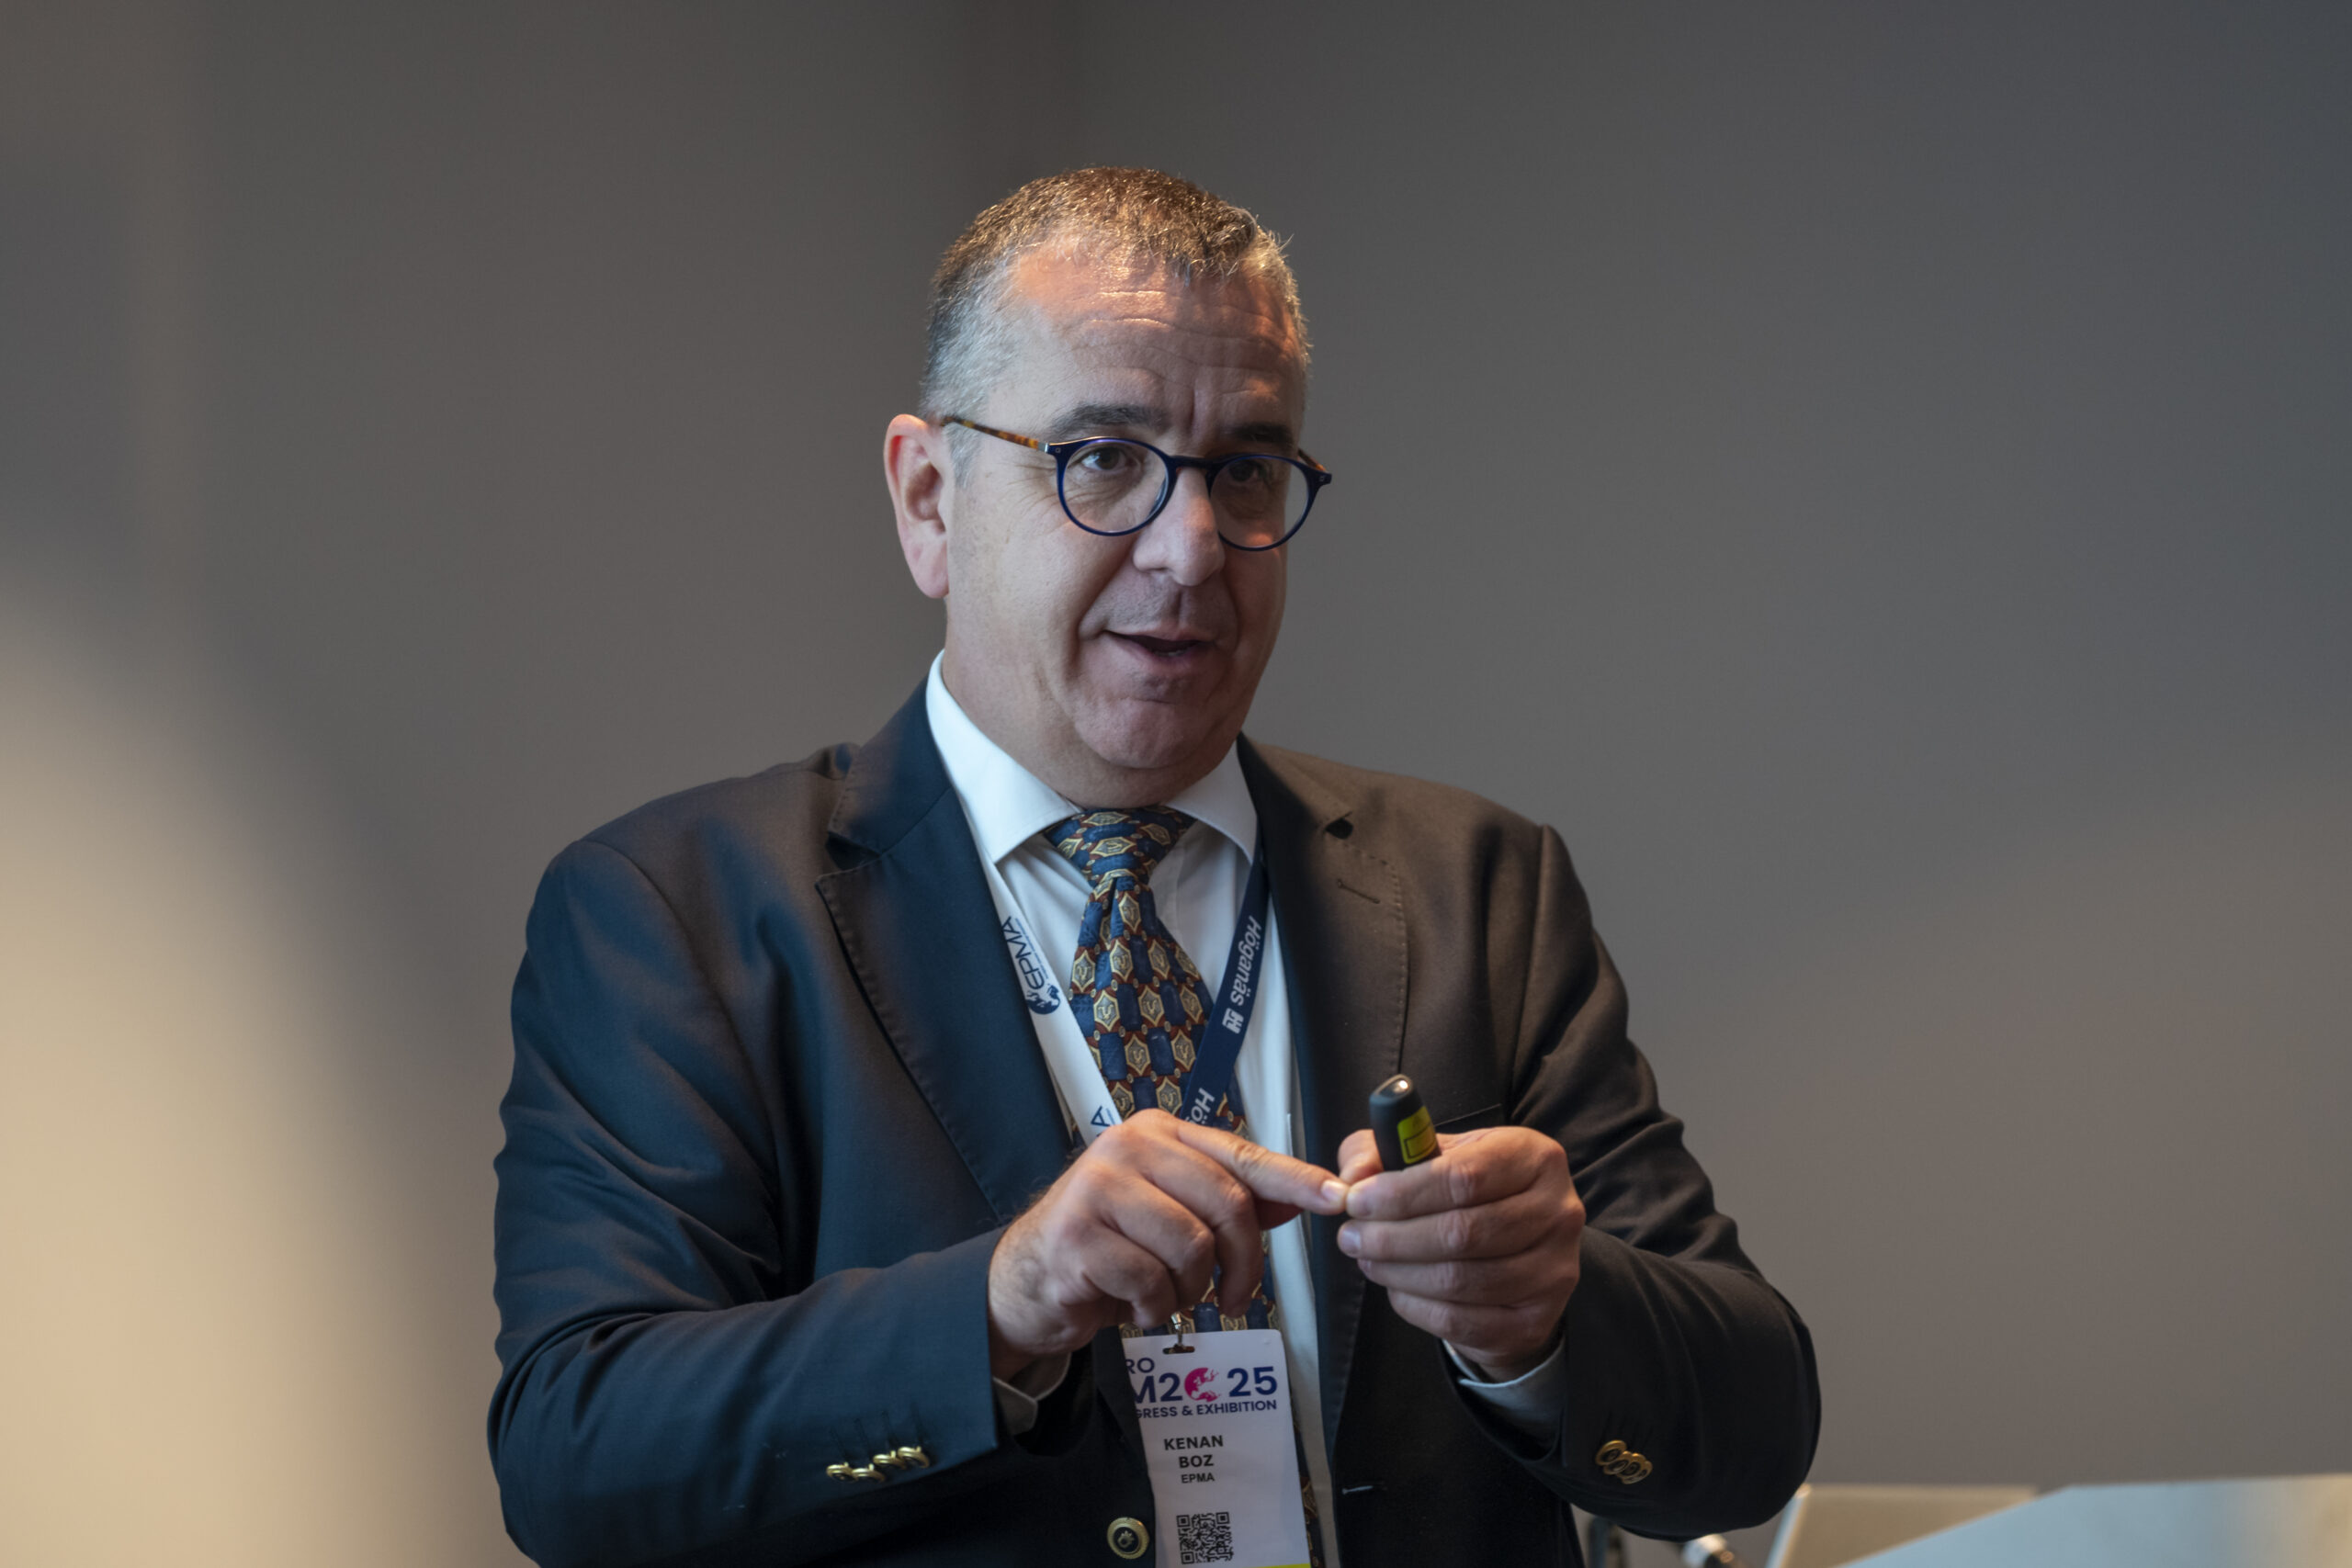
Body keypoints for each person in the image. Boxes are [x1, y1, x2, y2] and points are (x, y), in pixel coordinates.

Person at [489, 167, 1818, 1568]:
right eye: (1104, 460)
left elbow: (1754, 1431)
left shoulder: (1478, 889)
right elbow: (579, 1459)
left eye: (1245, 470)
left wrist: (1548, 1318)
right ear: (930, 500)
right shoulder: (680, 913)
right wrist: (998, 1307)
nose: (1192, 551)